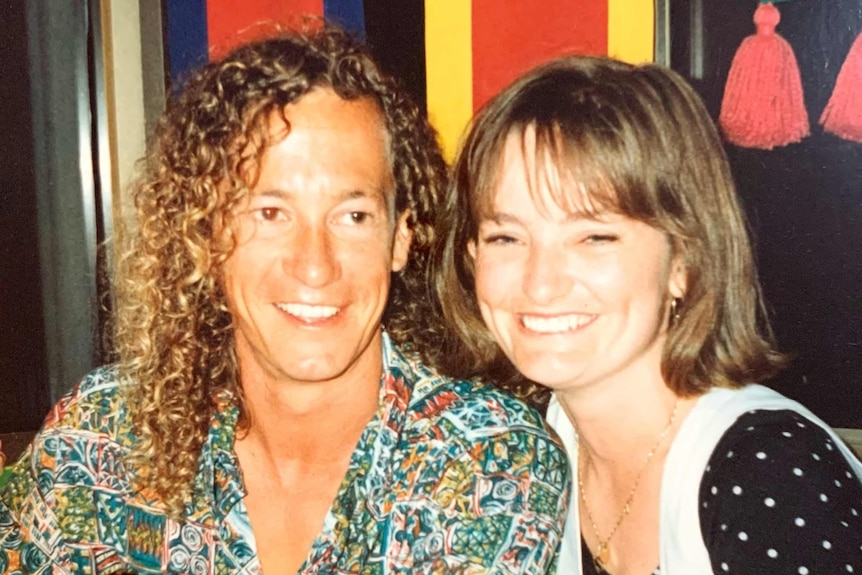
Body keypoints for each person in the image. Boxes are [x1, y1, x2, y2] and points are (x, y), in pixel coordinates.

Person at [0, 26, 571, 575]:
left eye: (353, 216)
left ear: (399, 239)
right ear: (208, 235)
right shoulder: (100, 439)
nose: (315, 264)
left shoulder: (486, 458)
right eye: (270, 214)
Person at [430, 55, 862, 575]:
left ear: (684, 260)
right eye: (507, 237)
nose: (540, 282)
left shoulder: (769, 473)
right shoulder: (528, 449)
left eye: (593, 237)